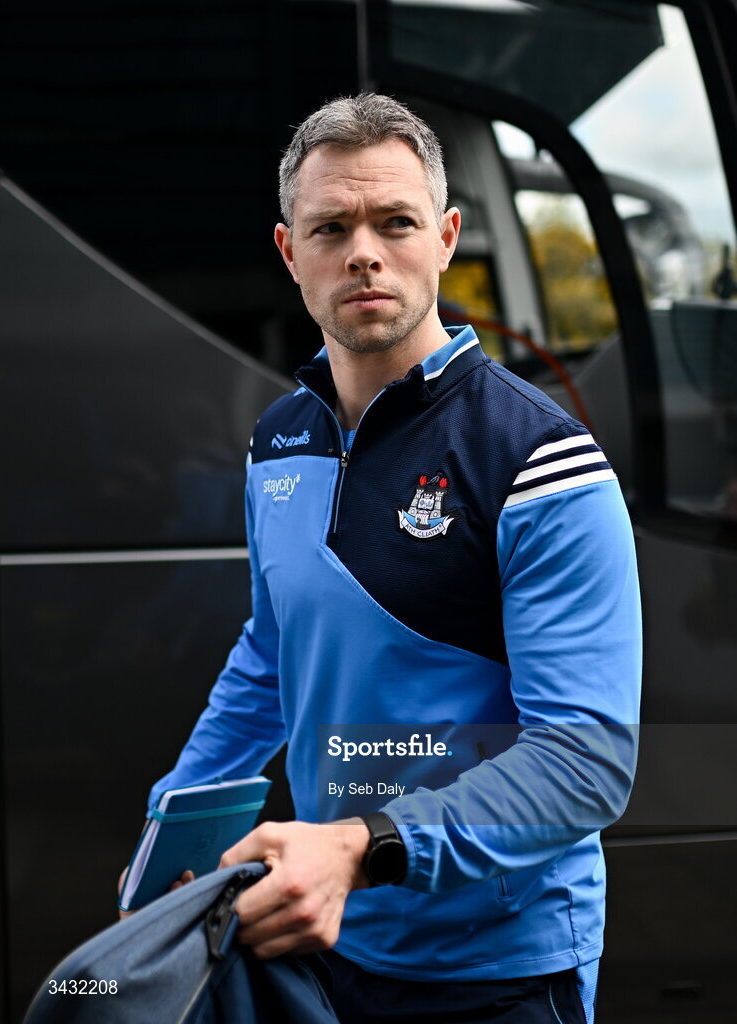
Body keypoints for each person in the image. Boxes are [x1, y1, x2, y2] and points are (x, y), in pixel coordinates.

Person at [133, 94, 641, 1023]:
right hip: (322, 944)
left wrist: (360, 846)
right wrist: (173, 825)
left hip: (498, 967)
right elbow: (270, 651)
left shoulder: (540, 460)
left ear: (444, 238)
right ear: (291, 253)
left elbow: (584, 761)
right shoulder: (278, 444)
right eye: (330, 226)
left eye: (395, 221)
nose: (363, 249)